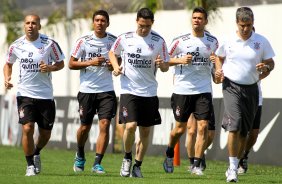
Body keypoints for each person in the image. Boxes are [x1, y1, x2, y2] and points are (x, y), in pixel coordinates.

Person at [214, 7, 275, 182]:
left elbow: (271, 62)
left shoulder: (261, 41)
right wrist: (219, 70)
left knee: (244, 132)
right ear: (237, 23)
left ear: (252, 23)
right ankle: (233, 169)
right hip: (231, 86)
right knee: (236, 124)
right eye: (242, 25)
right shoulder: (228, 40)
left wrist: (266, 68)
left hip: (252, 88)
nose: (246, 29)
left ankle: (235, 164)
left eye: (248, 25)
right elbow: (219, 57)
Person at [108, 7, 170, 178]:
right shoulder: (125, 38)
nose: (144, 29)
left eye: (147, 26)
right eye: (141, 25)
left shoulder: (159, 41)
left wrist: (161, 64)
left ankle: (137, 165)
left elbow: (165, 66)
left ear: (152, 24)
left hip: (149, 91)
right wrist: (115, 67)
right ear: (137, 21)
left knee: (145, 132)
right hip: (129, 90)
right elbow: (112, 52)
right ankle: (127, 158)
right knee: (130, 126)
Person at [3, 14, 65, 176]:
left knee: (45, 133)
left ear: (39, 26)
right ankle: (30, 164)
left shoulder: (50, 44)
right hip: (25, 94)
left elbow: (61, 63)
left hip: (45, 95)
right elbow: (8, 64)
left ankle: (36, 152)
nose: (30, 26)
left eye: (34, 23)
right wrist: (7, 78)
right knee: (28, 128)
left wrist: (50, 68)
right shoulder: (16, 45)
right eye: (28, 23)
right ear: (24, 26)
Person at [163, 7, 218, 176]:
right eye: (194, 18)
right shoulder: (180, 41)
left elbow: (216, 64)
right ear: (191, 20)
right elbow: (164, 61)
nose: (197, 20)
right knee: (180, 129)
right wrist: (180, 59)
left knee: (203, 127)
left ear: (205, 21)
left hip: (203, 90)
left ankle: (195, 165)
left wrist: (217, 69)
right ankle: (169, 153)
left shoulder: (213, 41)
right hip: (183, 90)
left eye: (200, 18)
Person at [69, 10, 117, 174]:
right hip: (87, 90)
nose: (100, 23)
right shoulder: (83, 41)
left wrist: (113, 66)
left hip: (107, 90)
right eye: (97, 20)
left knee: (105, 124)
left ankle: (97, 162)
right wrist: (91, 62)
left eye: (103, 20)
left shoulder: (113, 41)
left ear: (107, 23)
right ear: (93, 22)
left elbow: (119, 61)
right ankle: (80, 153)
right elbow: (71, 64)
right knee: (85, 127)